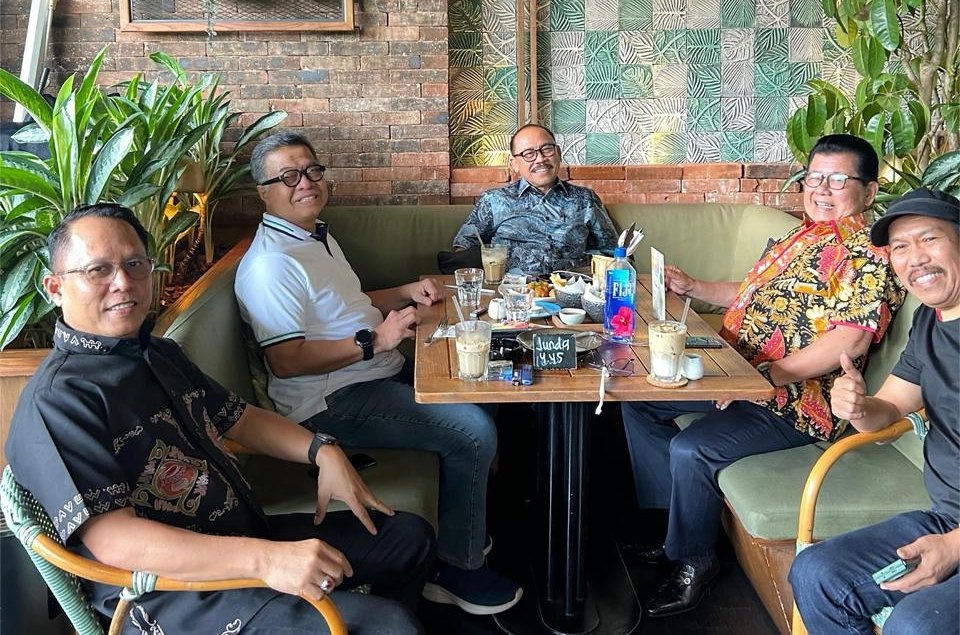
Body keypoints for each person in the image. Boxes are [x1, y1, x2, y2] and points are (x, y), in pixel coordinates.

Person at [5, 203, 437, 635]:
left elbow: (240, 419)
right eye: (98, 270)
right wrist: (265, 560)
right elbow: (116, 541)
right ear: (55, 287)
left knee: (408, 539)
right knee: (389, 626)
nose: (122, 282)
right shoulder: (59, 401)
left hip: (239, 537)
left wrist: (322, 450)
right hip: (169, 596)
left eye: (134, 264)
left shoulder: (156, 354)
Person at [235, 131, 521, 615]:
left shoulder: (313, 235)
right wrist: (377, 341)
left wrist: (406, 291)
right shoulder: (270, 265)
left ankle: (461, 524)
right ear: (263, 192)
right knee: (471, 431)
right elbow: (286, 360)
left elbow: (347, 305)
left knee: (481, 384)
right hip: (330, 401)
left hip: (370, 373)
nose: (305, 183)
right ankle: (454, 568)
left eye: (312, 170)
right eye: (288, 176)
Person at [620, 134, 907, 617]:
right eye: (815, 177)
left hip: (796, 403)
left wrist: (766, 375)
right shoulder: (803, 235)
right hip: (738, 375)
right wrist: (693, 286)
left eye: (838, 180)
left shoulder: (871, 253)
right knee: (640, 400)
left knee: (692, 449)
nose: (822, 189)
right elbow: (754, 292)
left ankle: (695, 560)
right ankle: (673, 528)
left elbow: (850, 340)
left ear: (869, 190)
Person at [790, 187, 959, 634]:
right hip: (947, 519)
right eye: (900, 247)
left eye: (929, 239)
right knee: (817, 574)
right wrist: (858, 407)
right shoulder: (931, 321)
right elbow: (891, 407)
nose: (915, 258)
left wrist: (955, 547)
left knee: (916, 623)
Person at [451, 124, 618, 275]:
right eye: (529, 154)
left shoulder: (585, 199)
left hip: (572, 290)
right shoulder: (494, 200)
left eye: (547, 149)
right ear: (514, 164)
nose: (540, 159)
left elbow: (611, 251)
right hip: (512, 291)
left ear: (558, 153)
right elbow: (464, 246)